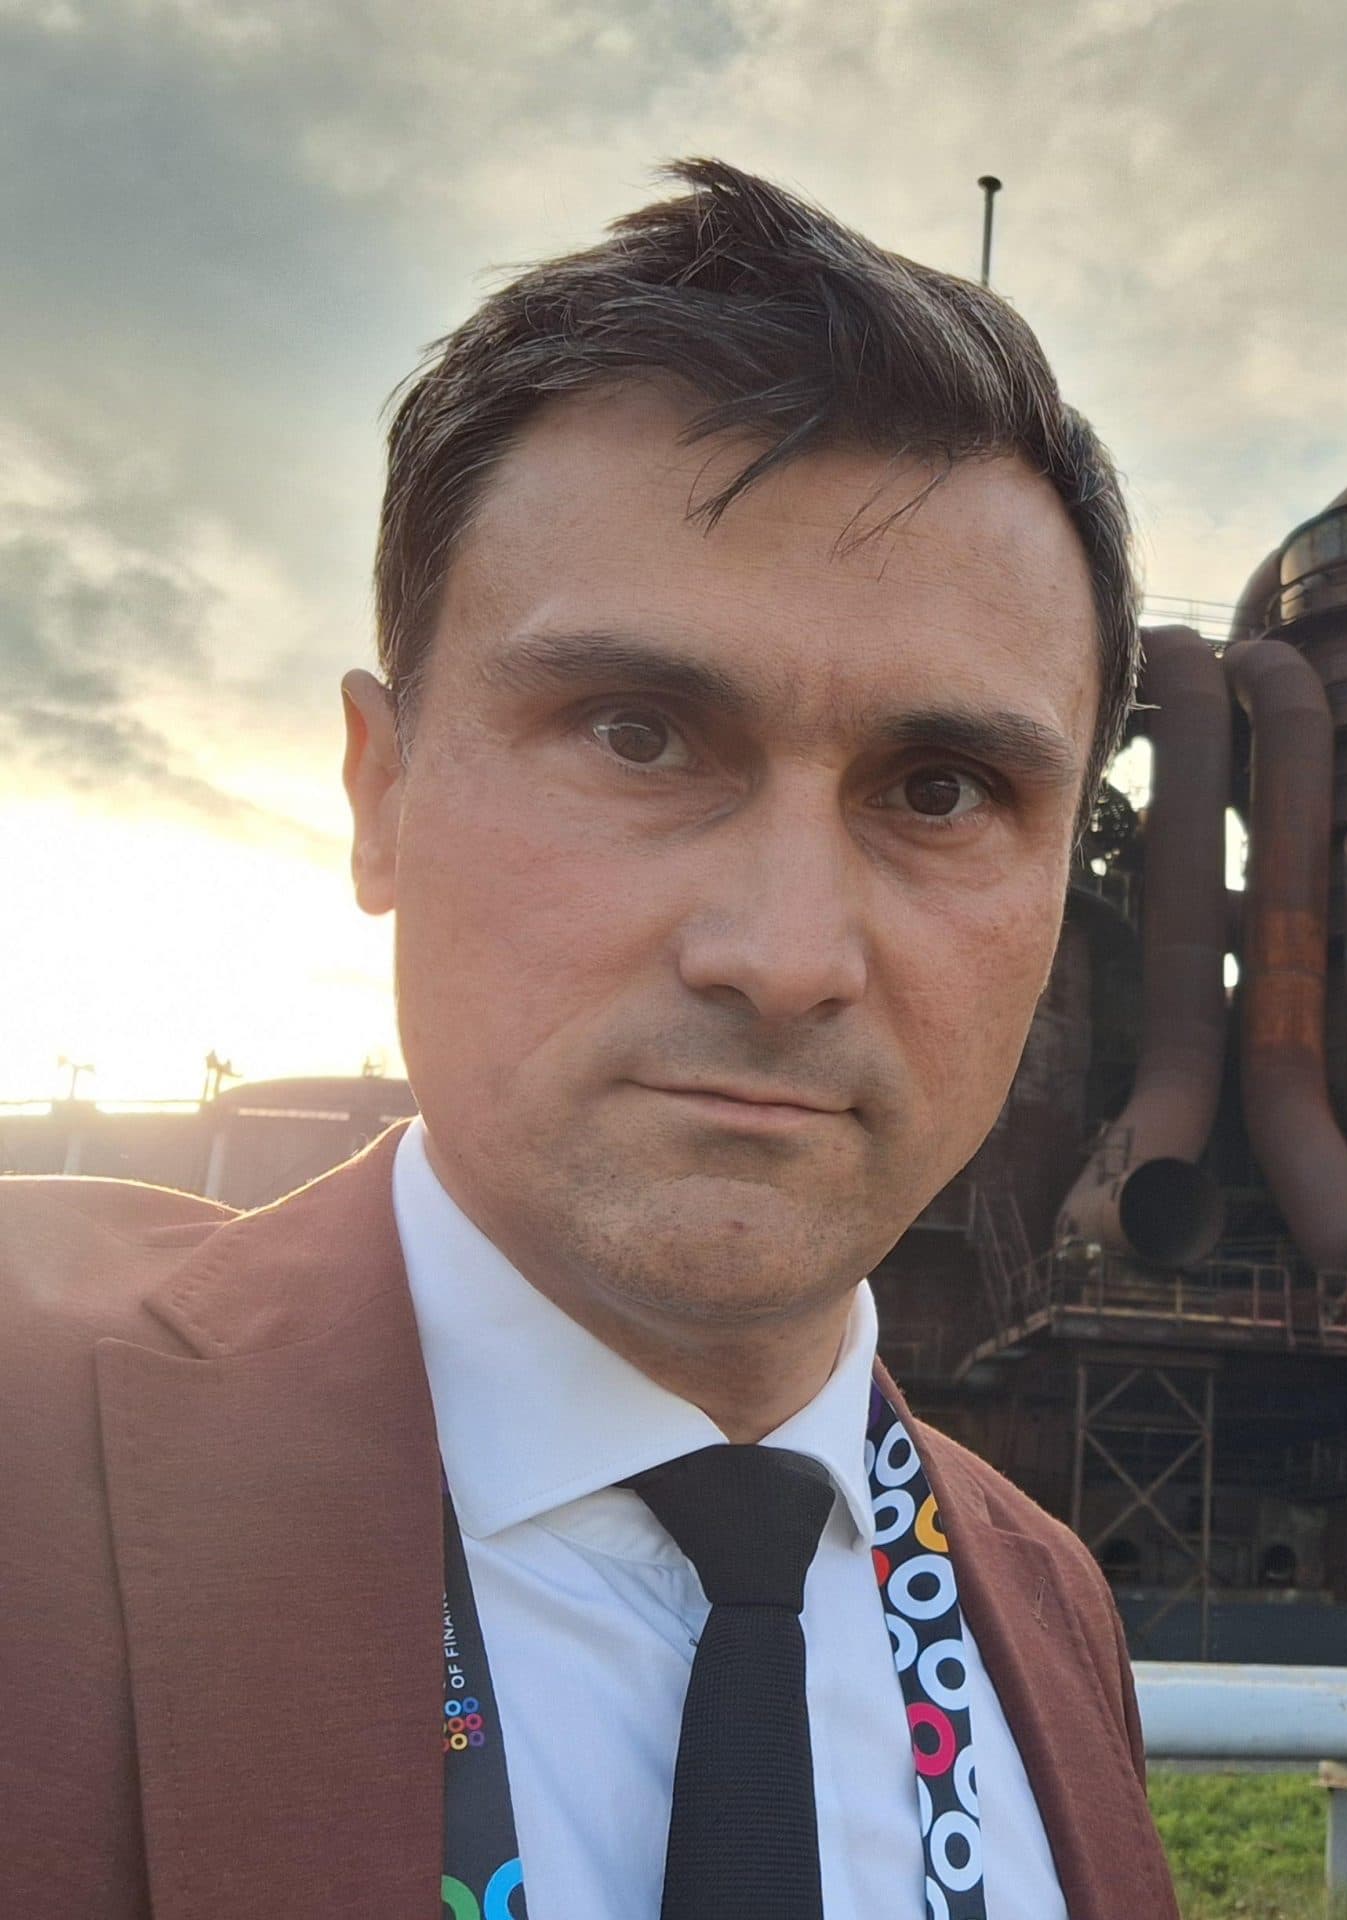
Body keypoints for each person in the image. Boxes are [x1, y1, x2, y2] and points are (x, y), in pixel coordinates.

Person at [1, 158, 1181, 1920]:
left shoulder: (1048, 1609)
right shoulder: (34, 1451)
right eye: (637, 734)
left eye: (941, 790)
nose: (785, 958)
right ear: (381, 795)